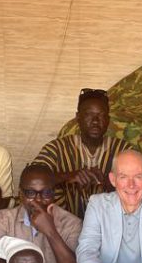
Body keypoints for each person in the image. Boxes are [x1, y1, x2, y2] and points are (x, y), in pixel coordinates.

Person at [31, 88, 130, 218]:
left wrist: (110, 181)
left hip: (112, 226)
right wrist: (67, 176)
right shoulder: (57, 148)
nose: (95, 121)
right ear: (78, 117)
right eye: (89, 114)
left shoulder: (124, 150)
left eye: (101, 115)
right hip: (61, 227)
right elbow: (31, 181)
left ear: (108, 120)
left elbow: (140, 190)